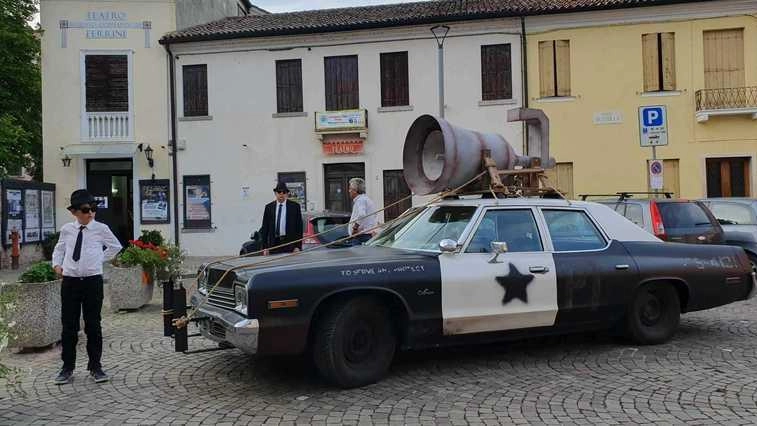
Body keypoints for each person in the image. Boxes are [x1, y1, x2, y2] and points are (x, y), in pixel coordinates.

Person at [51, 189, 122, 385]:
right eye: (85, 210)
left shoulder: (101, 229)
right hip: (71, 282)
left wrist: (99, 260)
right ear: (74, 212)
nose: (90, 213)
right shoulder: (67, 230)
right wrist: (57, 265)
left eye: (93, 209)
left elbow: (115, 247)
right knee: (69, 326)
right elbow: (59, 249)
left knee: (93, 325)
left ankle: (95, 366)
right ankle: (67, 367)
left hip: (92, 282)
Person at [260, 182, 303, 255]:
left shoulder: (295, 207)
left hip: (290, 244)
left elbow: (299, 228)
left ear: (287, 194)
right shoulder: (269, 207)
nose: (281, 194)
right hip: (274, 244)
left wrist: (298, 246)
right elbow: (265, 228)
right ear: (275, 193)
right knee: (275, 265)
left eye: (284, 192)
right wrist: (265, 247)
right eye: (279, 192)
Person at [348, 177, 378, 244]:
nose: (349, 191)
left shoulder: (360, 200)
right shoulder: (366, 199)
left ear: (355, 190)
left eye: (350, 188)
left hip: (361, 237)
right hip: (365, 235)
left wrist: (355, 228)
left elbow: (362, 214)